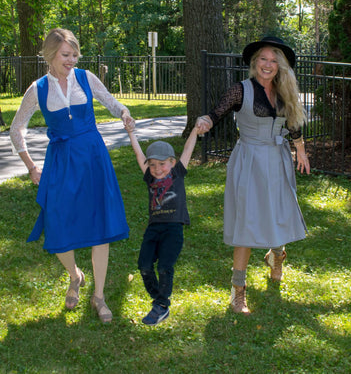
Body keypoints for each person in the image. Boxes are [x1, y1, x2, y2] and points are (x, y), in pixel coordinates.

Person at [10, 28, 135, 323]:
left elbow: (112, 102)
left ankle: (99, 296)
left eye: (75, 55)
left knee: (100, 224)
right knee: (57, 222)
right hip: (61, 162)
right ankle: (75, 275)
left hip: (93, 158)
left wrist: (124, 113)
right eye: (66, 55)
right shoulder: (37, 88)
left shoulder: (86, 78)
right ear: (50, 55)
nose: (71, 60)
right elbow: (17, 128)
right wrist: (31, 166)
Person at [196, 36, 310, 315]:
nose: (268, 65)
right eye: (263, 59)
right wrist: (206, 121)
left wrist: (301, 151)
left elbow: (293, 125)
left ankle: (276, 255)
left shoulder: (285, 91)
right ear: (254, 62)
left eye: (274, 60)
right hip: (249, 161)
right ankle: (238, 292)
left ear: (280, 65)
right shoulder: (240, 90)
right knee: (246, 225)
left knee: (278, 213)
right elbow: (216, 113)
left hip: (278, 160)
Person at [124, 122, 202, 325]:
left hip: (173, 228)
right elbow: (139, 154)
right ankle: (158, 299)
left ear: (172, 163)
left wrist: (194, 130)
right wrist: (131, 133)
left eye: (162, 164)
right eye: (153, 165)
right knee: (144, 265)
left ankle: (162, 305)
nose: (157, 169)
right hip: (153, 229)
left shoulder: (177, 173)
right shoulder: (149, 176)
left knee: (165, 266)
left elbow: (187, 149)